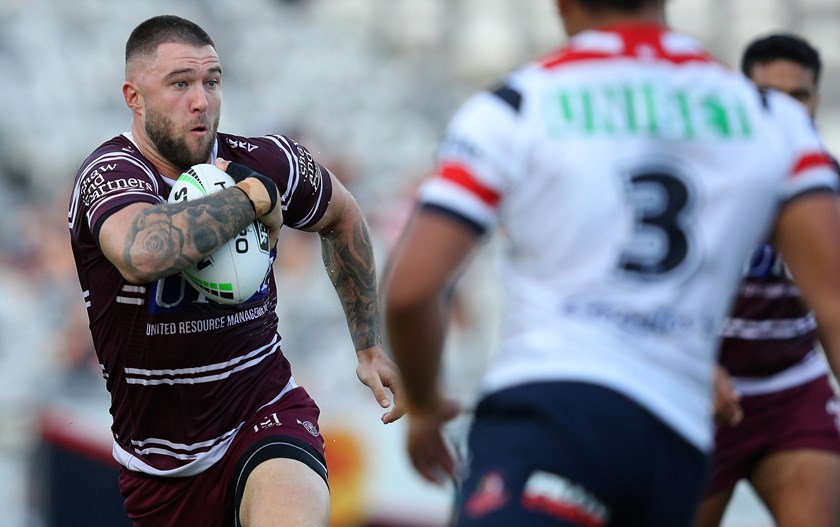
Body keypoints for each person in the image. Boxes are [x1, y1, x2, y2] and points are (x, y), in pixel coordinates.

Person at [382, 1, 840, 525]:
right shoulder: (771, 120)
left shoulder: (519, 102)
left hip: (551, 409)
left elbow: (411, 289)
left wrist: (422, 403)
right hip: (676, 432)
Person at [67, 15, 404, 527]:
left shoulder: (264, 158)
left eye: (212, 81)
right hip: (160, 469)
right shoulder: (111, 174)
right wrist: (250, 198)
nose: (201, 99)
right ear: (134, 97)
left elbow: (344, 215)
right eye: (180, 83)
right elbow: (143, 253)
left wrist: (368, 344)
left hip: (264, 412)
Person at [694, 33, 840, 527]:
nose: (785, 109)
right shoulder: (701, 181)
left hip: (792, 390)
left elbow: (835, 310)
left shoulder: (829, 186)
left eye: (798, 95)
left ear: (816, 99)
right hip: (701, 391)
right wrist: (692, 365)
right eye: (768, 95)